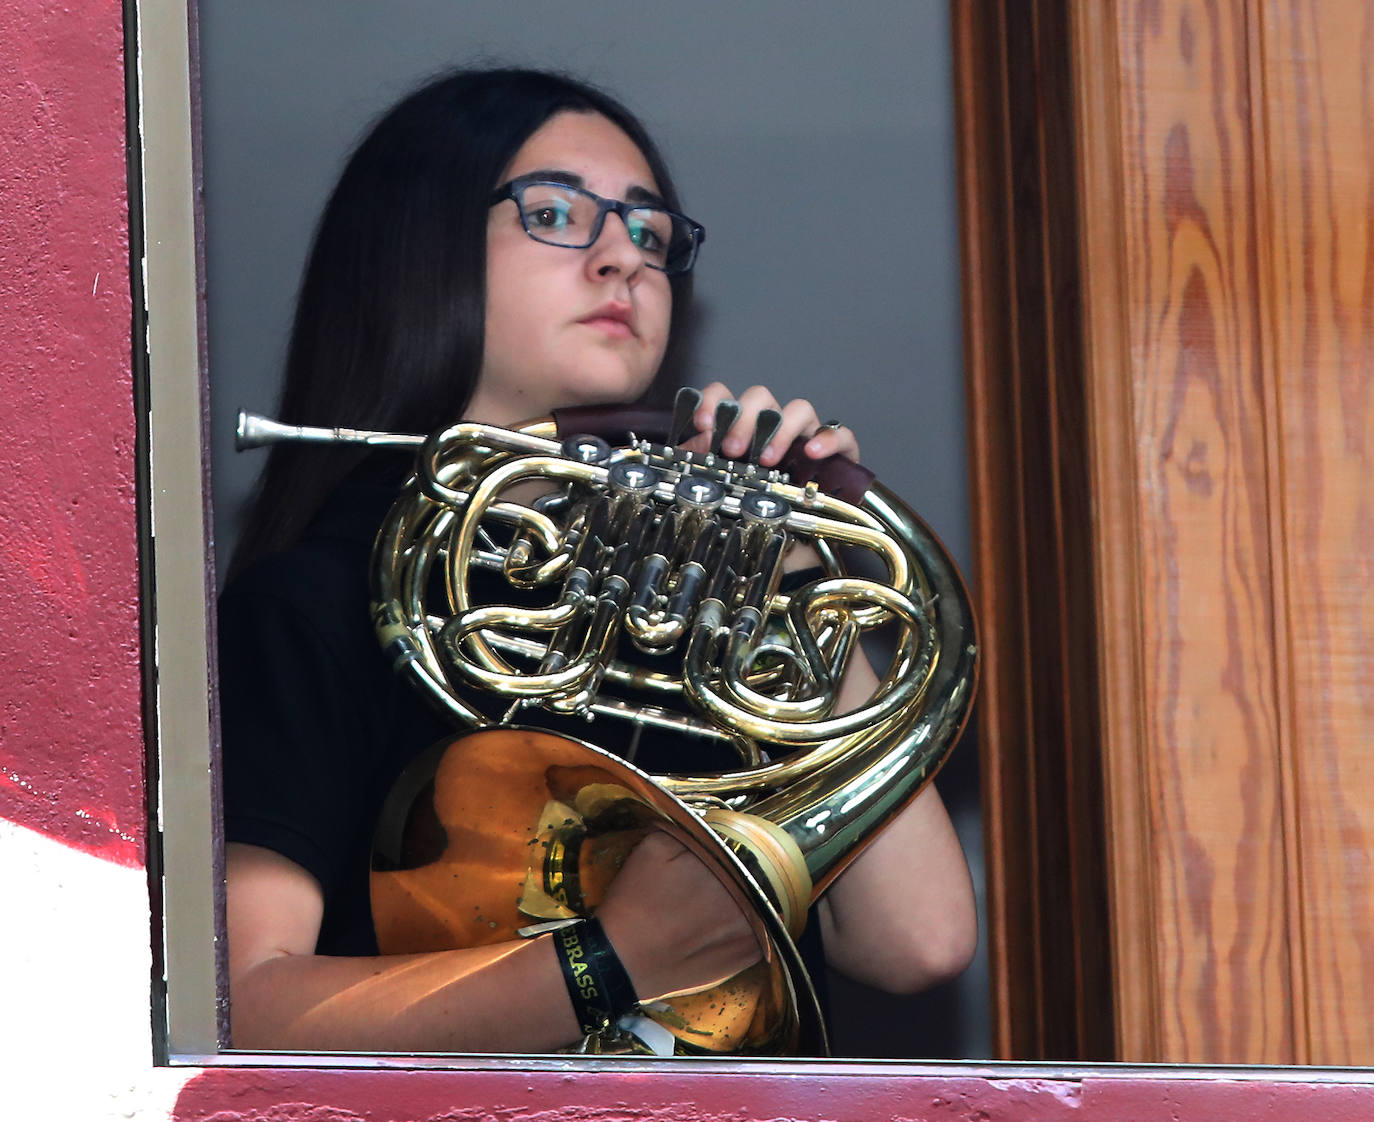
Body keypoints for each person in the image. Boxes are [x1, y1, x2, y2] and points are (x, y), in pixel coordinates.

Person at [219, 67, 976, 1055]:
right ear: (416, 247)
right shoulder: (310, 605)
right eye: (555, 213)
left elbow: (919, 940)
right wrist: (608, 962)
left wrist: (788, 560)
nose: (625, 257)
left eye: (652, 234)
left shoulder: (714, 600)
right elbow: (239, 1004)